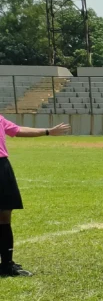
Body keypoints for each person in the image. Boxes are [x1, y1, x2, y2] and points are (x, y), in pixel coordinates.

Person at [0, 117, 71, 277]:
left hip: (2, 166)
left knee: (4, 216)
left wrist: (48, 131)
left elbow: (17, 130)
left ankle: (6, 264)